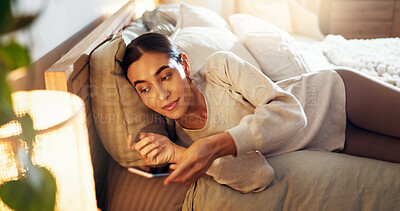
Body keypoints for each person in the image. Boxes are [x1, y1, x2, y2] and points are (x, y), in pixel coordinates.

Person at [122, 32, 400, 191]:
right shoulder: (184, 143)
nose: (161, 95)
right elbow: (258, 176)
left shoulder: (220, 68)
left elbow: (290, 110)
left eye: (165, 76)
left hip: (337, 94)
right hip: (332, 140)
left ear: (183, 64)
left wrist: (213, 146)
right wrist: (181, 153)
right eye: (144, 89)